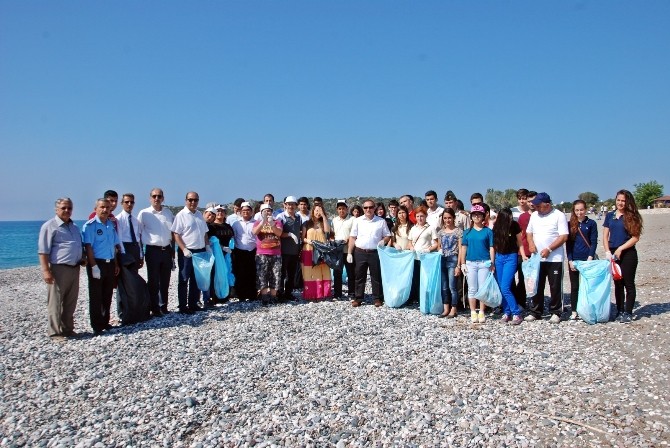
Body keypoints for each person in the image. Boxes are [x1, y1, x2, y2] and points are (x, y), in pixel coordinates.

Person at [38, 198, 85, 341]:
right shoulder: (49, 226)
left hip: (74, 268)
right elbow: (43, 251)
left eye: (69, 208)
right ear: (56, 209)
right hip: (59, 269)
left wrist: (82, 258)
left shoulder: (74, 227)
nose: (67, 211)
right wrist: (46, 271)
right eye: (64, 208)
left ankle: (68, 329)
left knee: (71, 301)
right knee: (55, 301)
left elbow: (77, 245)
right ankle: (55, 332)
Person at [525, 192, 569, 324]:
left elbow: (563, 236)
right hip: (537, 258)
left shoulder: (559, 216)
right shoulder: (534, 216)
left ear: (547, 204)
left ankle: (556, 312)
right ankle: (535, 311)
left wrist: (549, 249)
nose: (536, 208)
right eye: (535, 205)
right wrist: (531, 243)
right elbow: (529, 232)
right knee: (536, 285)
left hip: (554, 258)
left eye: (539, 206)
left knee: (555, 286)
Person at [82, 198, 123, 335]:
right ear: (96, 209)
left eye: (107, 207)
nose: (105, 210)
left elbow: (114, 246)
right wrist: (93, 266)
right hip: (97, 263)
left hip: (110, 263)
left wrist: (116, 263)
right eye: (102, 207)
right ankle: (97, 326)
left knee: (107, 294)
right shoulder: (90, 226)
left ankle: (105, 322)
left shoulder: (110, 225)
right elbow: (88, 248)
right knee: (96, 296)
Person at [603, 190, 643, 323]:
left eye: (623, 200)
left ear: (628, 202)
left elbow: (635, 237)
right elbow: (605, 235)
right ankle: (619, 310)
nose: (620, 203)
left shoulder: (632, 216)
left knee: (628, 283)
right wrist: (608, 251)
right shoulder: (610, 215)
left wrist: (621, 248)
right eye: (618, 200)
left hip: (628, 253)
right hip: (614, 254)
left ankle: (628, 312)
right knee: (618, 283)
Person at [171, 192, 210, 314]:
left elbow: (205, 233)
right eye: (190, 200)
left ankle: (193, 303)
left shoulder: (199, 215)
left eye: (195, 200)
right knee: (183, 278)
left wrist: (207, 246)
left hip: (200, 251)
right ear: (186, 200)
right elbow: (176, 234)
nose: (193, 202)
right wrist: (183, 249)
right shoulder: (181, 215)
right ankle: (183, 306)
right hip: (187, 251)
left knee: (196, 279)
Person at [347, 199, 391, 307]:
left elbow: (388, 235)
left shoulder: (381, 221)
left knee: (376, 276)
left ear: (374, 208)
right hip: (360, 252)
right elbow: (352, 237)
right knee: (359, 276)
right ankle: (358, 298)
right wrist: (349, 252)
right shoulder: (358, 221)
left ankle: (377, 298)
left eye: (371, 207)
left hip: (374, 252)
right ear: (363, 209)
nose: (368, 209)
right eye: (366, 207)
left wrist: (383, 241)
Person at [137, 188, 174, 315]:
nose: (156, 198)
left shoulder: (168, 213)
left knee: (165, 280)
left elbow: (173, 233)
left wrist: (173, 252)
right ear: (150, 198)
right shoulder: (144, 213)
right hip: (153, 250)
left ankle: (164, 306)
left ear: (163, 198)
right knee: (153, 280)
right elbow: (138, 234)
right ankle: (154, 308)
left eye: (159, 196)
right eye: (154, 196)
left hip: (167, 250)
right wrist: (140, 254)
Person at [460, 204, 495, 324]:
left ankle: (482, 312)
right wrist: (462, 263)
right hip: (470, 263)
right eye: (474, 214)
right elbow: (463, 248)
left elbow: (491, 248)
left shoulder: (488, 232)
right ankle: (473, 311)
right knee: (472, 288)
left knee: (482, 289)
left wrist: (492, 262)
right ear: (471, 216)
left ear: (483, 216)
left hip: (484, 262)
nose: (477, 217)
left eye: (479, 214)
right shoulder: (467, 232)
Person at [493, 208, 527, 325]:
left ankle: (516, 313)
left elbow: (520, 243)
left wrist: (523, 256)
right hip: (499, 257)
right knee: (501, 287)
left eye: (511, 216)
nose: (510, 218)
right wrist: (492, 261)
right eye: (508, 217)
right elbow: (494, 245)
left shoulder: (514, 225)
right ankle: (507, 312)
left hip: (511, 257)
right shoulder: (496, 226)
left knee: (505, 287)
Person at [566, 199, 598, 320]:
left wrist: (590, 257)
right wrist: (570, 260)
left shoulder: (591, 223)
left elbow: (593, 242)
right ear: (574, 211)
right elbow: (568, 244)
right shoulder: (570, 224)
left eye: (581, 210)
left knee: (588, 286)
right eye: (577, 210)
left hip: (587, 259)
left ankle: (588, 309)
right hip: (574, 259)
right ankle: (574, 310)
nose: (579, 212)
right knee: (574, 286)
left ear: (586, 210)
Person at [253, 203, 283, 305]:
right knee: (262, 275)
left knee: (276, 275)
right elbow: (255, 232)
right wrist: (263, 222)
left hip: (276, 253)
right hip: (262, 253)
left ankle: (274, 296)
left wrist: (271, 224)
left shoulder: (277, 222)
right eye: (264, 211)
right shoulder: (257, 222)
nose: (267, 212)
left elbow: (279, 233)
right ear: (261, 213)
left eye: (269, 210)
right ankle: (264, 296)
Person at [407, 206, 438, 303]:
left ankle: (423, 298)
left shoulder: (431, 228)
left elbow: (436, 243)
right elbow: (409, 242)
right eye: (417, 216)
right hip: (414, 257)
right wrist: (411, 247)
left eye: (422, 216)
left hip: (425, 258)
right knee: (414, 278)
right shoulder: (413, 228)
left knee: (424, 279)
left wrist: (428, 250)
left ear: (425, 217)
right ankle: (413, 297)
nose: (420, 218)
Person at [301, 204, 332, 300]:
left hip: (322, 250)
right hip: (309, 249)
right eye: (316, 210)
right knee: (310, 272)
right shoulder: (306, 223)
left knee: (323, 270)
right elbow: (302, 238)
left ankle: (323, 293)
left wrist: (324, 217)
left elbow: (328, 233)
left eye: (320, 210)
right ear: (313, 211)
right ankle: (311, 294)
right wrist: (309, 241)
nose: (318, 212)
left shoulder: (324, 223)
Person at [206, 205, 235, 304]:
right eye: (218, 211)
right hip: (215, 254)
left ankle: (225, 295)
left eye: (222, 211)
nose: (220, 213)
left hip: (227, 254)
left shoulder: (228, 226)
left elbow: (232, 238)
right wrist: (221, 247)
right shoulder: (211, 226)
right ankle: (214, 297)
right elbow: (210, 240)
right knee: (214, 275)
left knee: (226, 274)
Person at [436, 208, 462, 318]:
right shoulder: (440, 232)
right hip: (443, 259)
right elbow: (439, 246)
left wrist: (459, 265)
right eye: (445, 218)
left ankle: (454, 308)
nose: (447, 220)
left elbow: (461, 248)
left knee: (452, 286)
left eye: (449, 218)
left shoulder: (458, 231)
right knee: (444, 286)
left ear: (453, 218)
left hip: (453, 259)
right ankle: (446, 308)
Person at [232, 202, 258, 301]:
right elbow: (233, 236)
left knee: (252, 273)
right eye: (243, 210)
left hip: (253, 251)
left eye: (248, 210)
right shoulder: (236, 223)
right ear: (240, 212)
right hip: (240, 251)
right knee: (240, 274)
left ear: (251, 211)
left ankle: (252, 294)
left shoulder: (256, 223)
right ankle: (241, 295)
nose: (246, 212)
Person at [278, 196, 302, 301]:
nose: (290, 206)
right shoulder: (281, 217)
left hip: (294, 251)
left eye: (293, 204)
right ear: (285, 205)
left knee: (291, 274)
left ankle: (288, 293)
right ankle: (279, 294)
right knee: (281, 274)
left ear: (296, 206)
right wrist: (289, 234)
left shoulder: (298, 217)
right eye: (288, 204)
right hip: (283, 251)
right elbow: (278, 233)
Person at [331, 200, 355, 300]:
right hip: (337, 251)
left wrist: (348, 239)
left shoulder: (353, 219)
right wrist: (332, 240)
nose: (341, 210)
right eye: (339, 209)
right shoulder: (334, 220)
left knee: (351, 273)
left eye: (343, 208)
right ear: (337, 210)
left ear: (347, 209)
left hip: (349, 250)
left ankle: (352, 294)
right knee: (337, 273)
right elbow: (332, 233)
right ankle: (337, 294)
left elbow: (355, 233)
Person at [512, 188, 531, 308]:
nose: (522, 201)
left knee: (523, 276)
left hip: (527, 247)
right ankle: (513, 299)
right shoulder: (512, 211)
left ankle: (522, 301)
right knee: (511, 276)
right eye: (520, 198)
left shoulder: (532, 211)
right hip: (514, 247)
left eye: (524, 198)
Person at [115, 193, 143, 273]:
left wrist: (141, 255)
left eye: (132, 202)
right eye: (127, 202)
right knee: (126, 277)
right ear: (122, 203)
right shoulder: (118, 219)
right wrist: (123, 254)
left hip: (135, 249)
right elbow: (119, 239)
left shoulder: (135, 220)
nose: (129, 204)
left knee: (134, 274)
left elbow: (138, 238)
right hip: (125, 248)